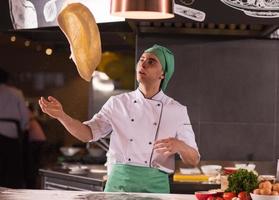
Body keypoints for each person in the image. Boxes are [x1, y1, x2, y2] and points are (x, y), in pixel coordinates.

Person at [39, 44, 200, 193]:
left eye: (151, 62)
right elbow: (87, 134)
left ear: (163, 73)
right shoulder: (117, 103)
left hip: (155, 187)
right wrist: (62, 116)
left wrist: (180, 146)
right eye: (141, 60)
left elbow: (194, 159)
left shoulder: (177, 110)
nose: (143, 64)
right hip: (118, 185)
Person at [0, 67, 29, 188]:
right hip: (11, 134)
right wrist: (23, 129)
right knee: (12, 169)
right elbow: (25, 115)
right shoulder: (16, 93)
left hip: (10, 133)